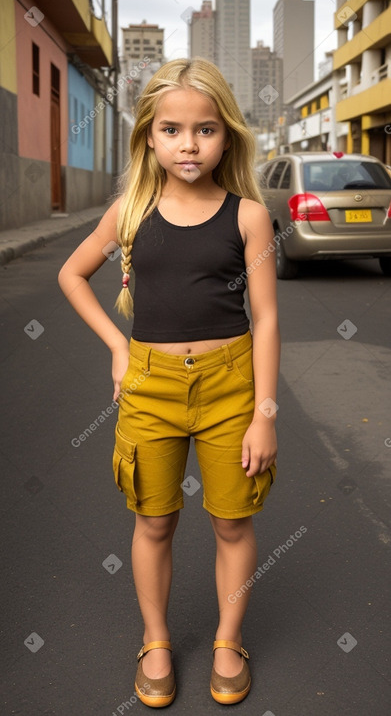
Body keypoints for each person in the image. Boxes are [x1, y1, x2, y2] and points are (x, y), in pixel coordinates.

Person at [58, 57, 280, 708]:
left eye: (206, 129)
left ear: (227, 136)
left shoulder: (247, 217)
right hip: (148, 390)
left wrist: (263, 412)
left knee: (231, 524)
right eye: (173, 129)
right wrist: (118, 349)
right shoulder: (131, 210)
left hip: (230, 389)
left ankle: (226, 640)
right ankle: (155, 640)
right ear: (149, 137)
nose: (189, 143)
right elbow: (72, 274)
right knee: (153, 522)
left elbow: (265, 319)